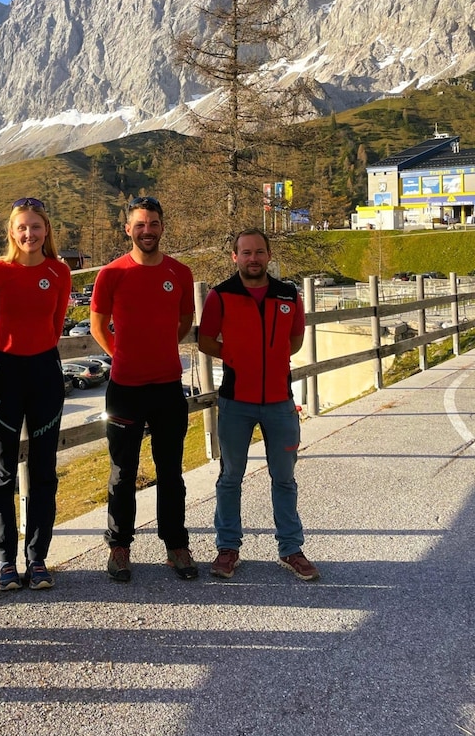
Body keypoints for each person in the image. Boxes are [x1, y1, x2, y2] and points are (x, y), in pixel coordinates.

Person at [198, 227, 319, 581]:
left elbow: (295, 340)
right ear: (234, 257)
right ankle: (228, 548)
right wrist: (236, 357)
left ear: (268, 255)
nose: (253, 258)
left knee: (284, 478)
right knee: (230, 477)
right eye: (246, 252)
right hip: (236, 401)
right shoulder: (220, 295)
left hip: (280, 401)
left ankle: (291, 549)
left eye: (259, 252)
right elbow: (206, 341)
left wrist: (271, 359)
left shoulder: (288, 294)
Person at [90, 195, 198, 582]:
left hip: (168, 385)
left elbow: (184, 320)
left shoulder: (179, 273)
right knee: (123, 471)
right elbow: (98, 326)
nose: (147, 231)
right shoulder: (111, 274)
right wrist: (124, 356)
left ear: (162, 227)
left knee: (171, 471)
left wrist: (160, 349)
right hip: (125, 388)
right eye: (140, 224)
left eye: (153, 224)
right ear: (128, 229)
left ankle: (176, 545)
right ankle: (119, 547)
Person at [0, 197, 71, 590]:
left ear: (46, 230)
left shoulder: (59, 271)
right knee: (1, 469)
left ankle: (37, 558)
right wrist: (2, 362)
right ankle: (4, 559)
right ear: (12, 232)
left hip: (45, 370)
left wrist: (37, 355)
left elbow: (56, 321)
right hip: (6, 372)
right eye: (22, 227)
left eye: (36, 226)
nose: (29, 234)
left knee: (43, 468)